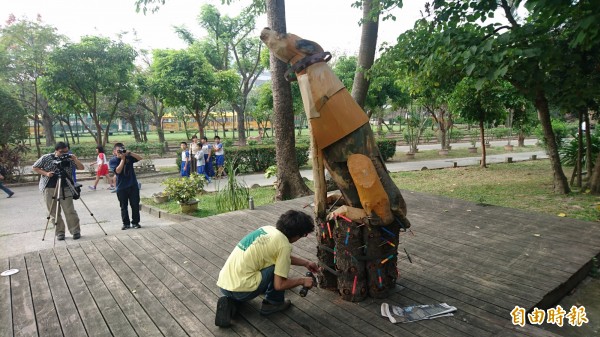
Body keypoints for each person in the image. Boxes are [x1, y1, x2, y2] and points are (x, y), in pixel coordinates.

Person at [215, 210, 318, 327]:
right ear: (296, 234)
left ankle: (231, 303)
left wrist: (305, 263)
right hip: (242, 291)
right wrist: (302, 280)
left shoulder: (267, 229)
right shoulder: (284, 245)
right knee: (277, 269)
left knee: (275, 264)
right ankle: (273, 303)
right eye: (303, 235)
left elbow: (280, 256)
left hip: (224, 284)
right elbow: (280, 285)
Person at [32, 142, 84, 240]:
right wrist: (46, 173)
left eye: (66, 151)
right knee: (53, 212)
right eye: (61, 152)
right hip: (49, 187)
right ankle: (60, 232)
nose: (64, 154)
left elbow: (81, 168)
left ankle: (75, 231)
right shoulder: (46, 158)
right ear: (56, 150)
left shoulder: (69, 158)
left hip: (65, 187)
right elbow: (35, 167)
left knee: (70, 210)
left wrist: (75, 159)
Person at [109, 143, 143, 230]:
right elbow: (118, 171)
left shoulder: (129, 157)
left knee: (135, 205)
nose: (120, 152)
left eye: (121, 150)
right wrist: (122, 159)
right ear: (114, 152)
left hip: (133, 185)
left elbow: (140, 158)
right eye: (118, 150)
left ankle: (135, 222)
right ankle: (126, 223)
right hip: (121, 187)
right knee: (123, 206)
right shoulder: (112, 161)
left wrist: (130, 153)